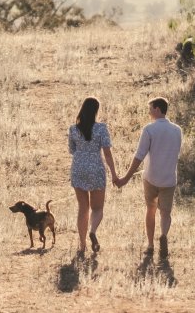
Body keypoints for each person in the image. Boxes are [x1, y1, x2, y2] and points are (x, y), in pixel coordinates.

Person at [115, 97, 183, 259]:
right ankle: (164, 235)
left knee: (150, 210)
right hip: (169, 178)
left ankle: (151, 245)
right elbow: (176, 152)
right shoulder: (177, 130)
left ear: (158, 109)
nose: (149, 112)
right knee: (165, 213)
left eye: (150, 109)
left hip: (151, 177)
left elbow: (139, 155)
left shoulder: (149, 129)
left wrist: (126, 178)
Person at [67, 96, 118, 257]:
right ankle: (93, 231)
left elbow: (72, 150)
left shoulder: (73, 129)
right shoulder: (101, 128)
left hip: (78, 168)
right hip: (96, 168)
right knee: (97, 208)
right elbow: (107, 153)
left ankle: (82, 245)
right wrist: (114, 174)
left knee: (83, 208)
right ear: (96, 111)